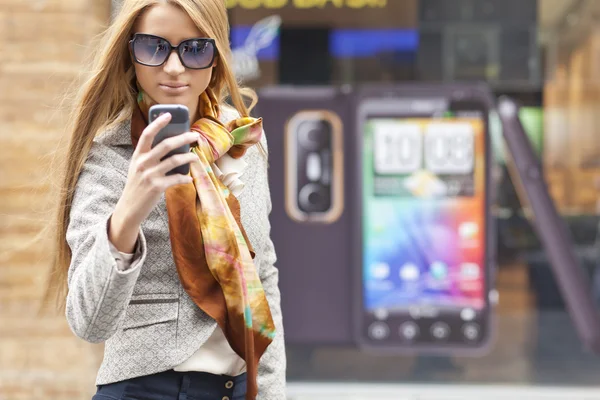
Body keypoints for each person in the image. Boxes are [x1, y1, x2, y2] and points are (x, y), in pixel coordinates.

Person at [42, 0, 286, 399]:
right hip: (147, 388)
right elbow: (88, 324)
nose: (174, 68)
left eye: (194, 49)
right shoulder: (108, 154)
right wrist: (130, 208)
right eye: (154, 48)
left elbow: (264, 274)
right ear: (131, 54)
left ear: (216, 57)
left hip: (238, 387)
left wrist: (272, 391)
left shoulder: (242, 142)